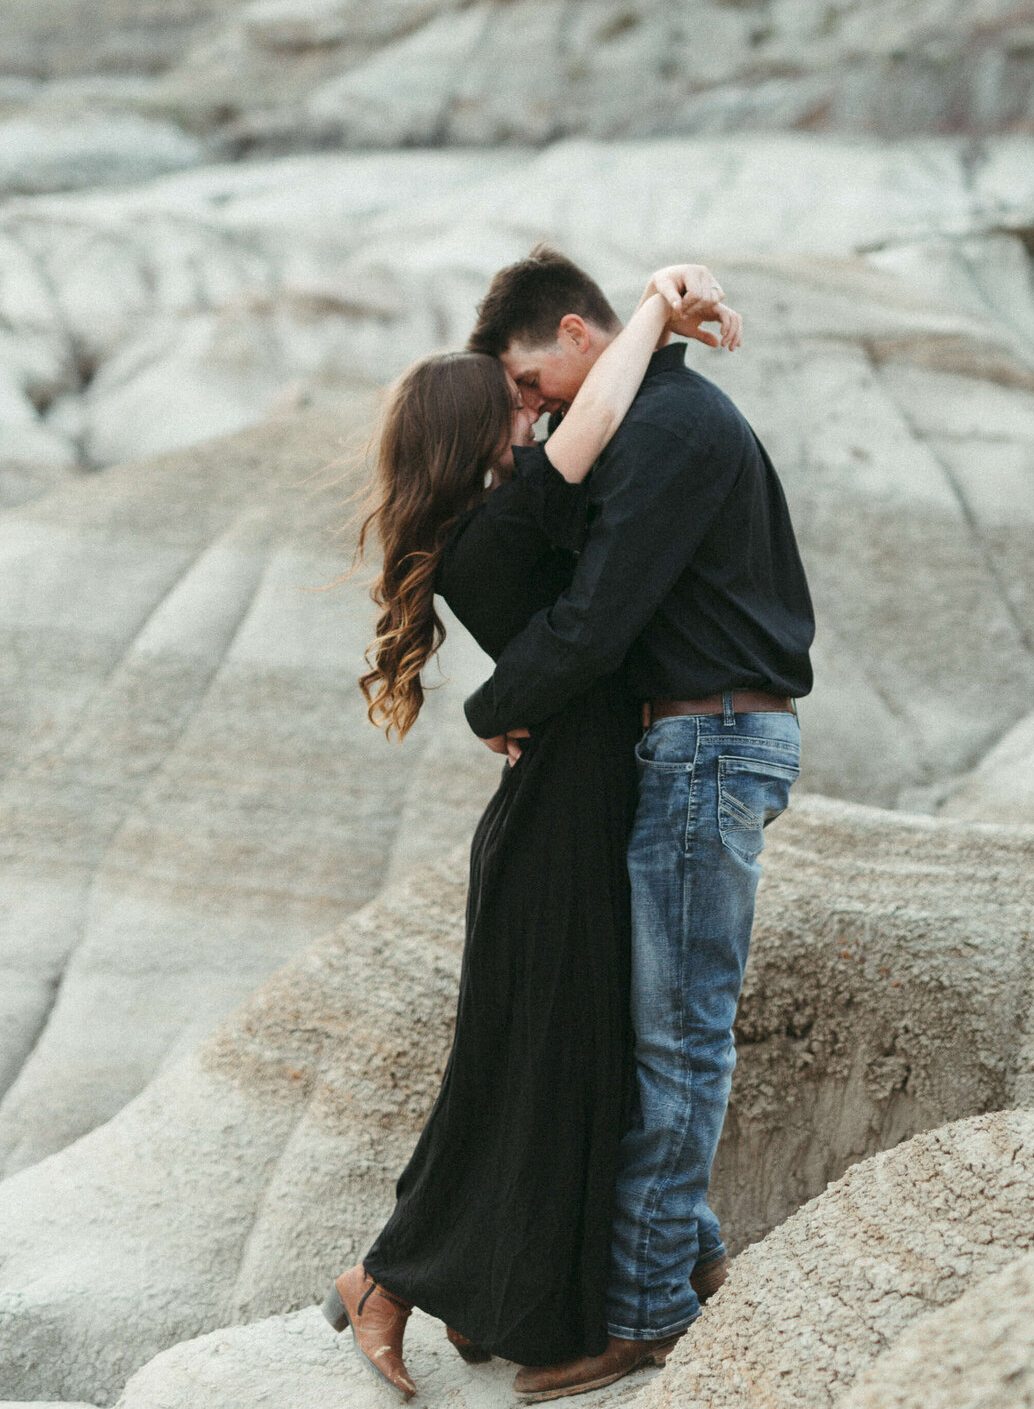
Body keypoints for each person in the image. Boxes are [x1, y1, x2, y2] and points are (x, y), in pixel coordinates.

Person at [321, 264, 741, 1399]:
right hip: (561, 821)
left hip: (575, 804)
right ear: (477, 436)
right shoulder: (503, 527)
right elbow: (601, 403)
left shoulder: (490, 528)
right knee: (539, 1063)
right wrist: (658, 302)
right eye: (514, 403)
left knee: (547, 1063)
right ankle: (388, 1277)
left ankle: (484, 1293)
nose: (537, 409)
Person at [464, 245, 815, 1403]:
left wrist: (490, 706)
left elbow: (599, 619)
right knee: (655, 1023)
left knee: (678, 1039)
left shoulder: (666, 431)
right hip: (696, 738)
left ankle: (647, 1308)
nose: (532, 412)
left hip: (710, 742)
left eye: (530, 384)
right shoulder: (649, 414)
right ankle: (692, 1248)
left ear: (577, 336)